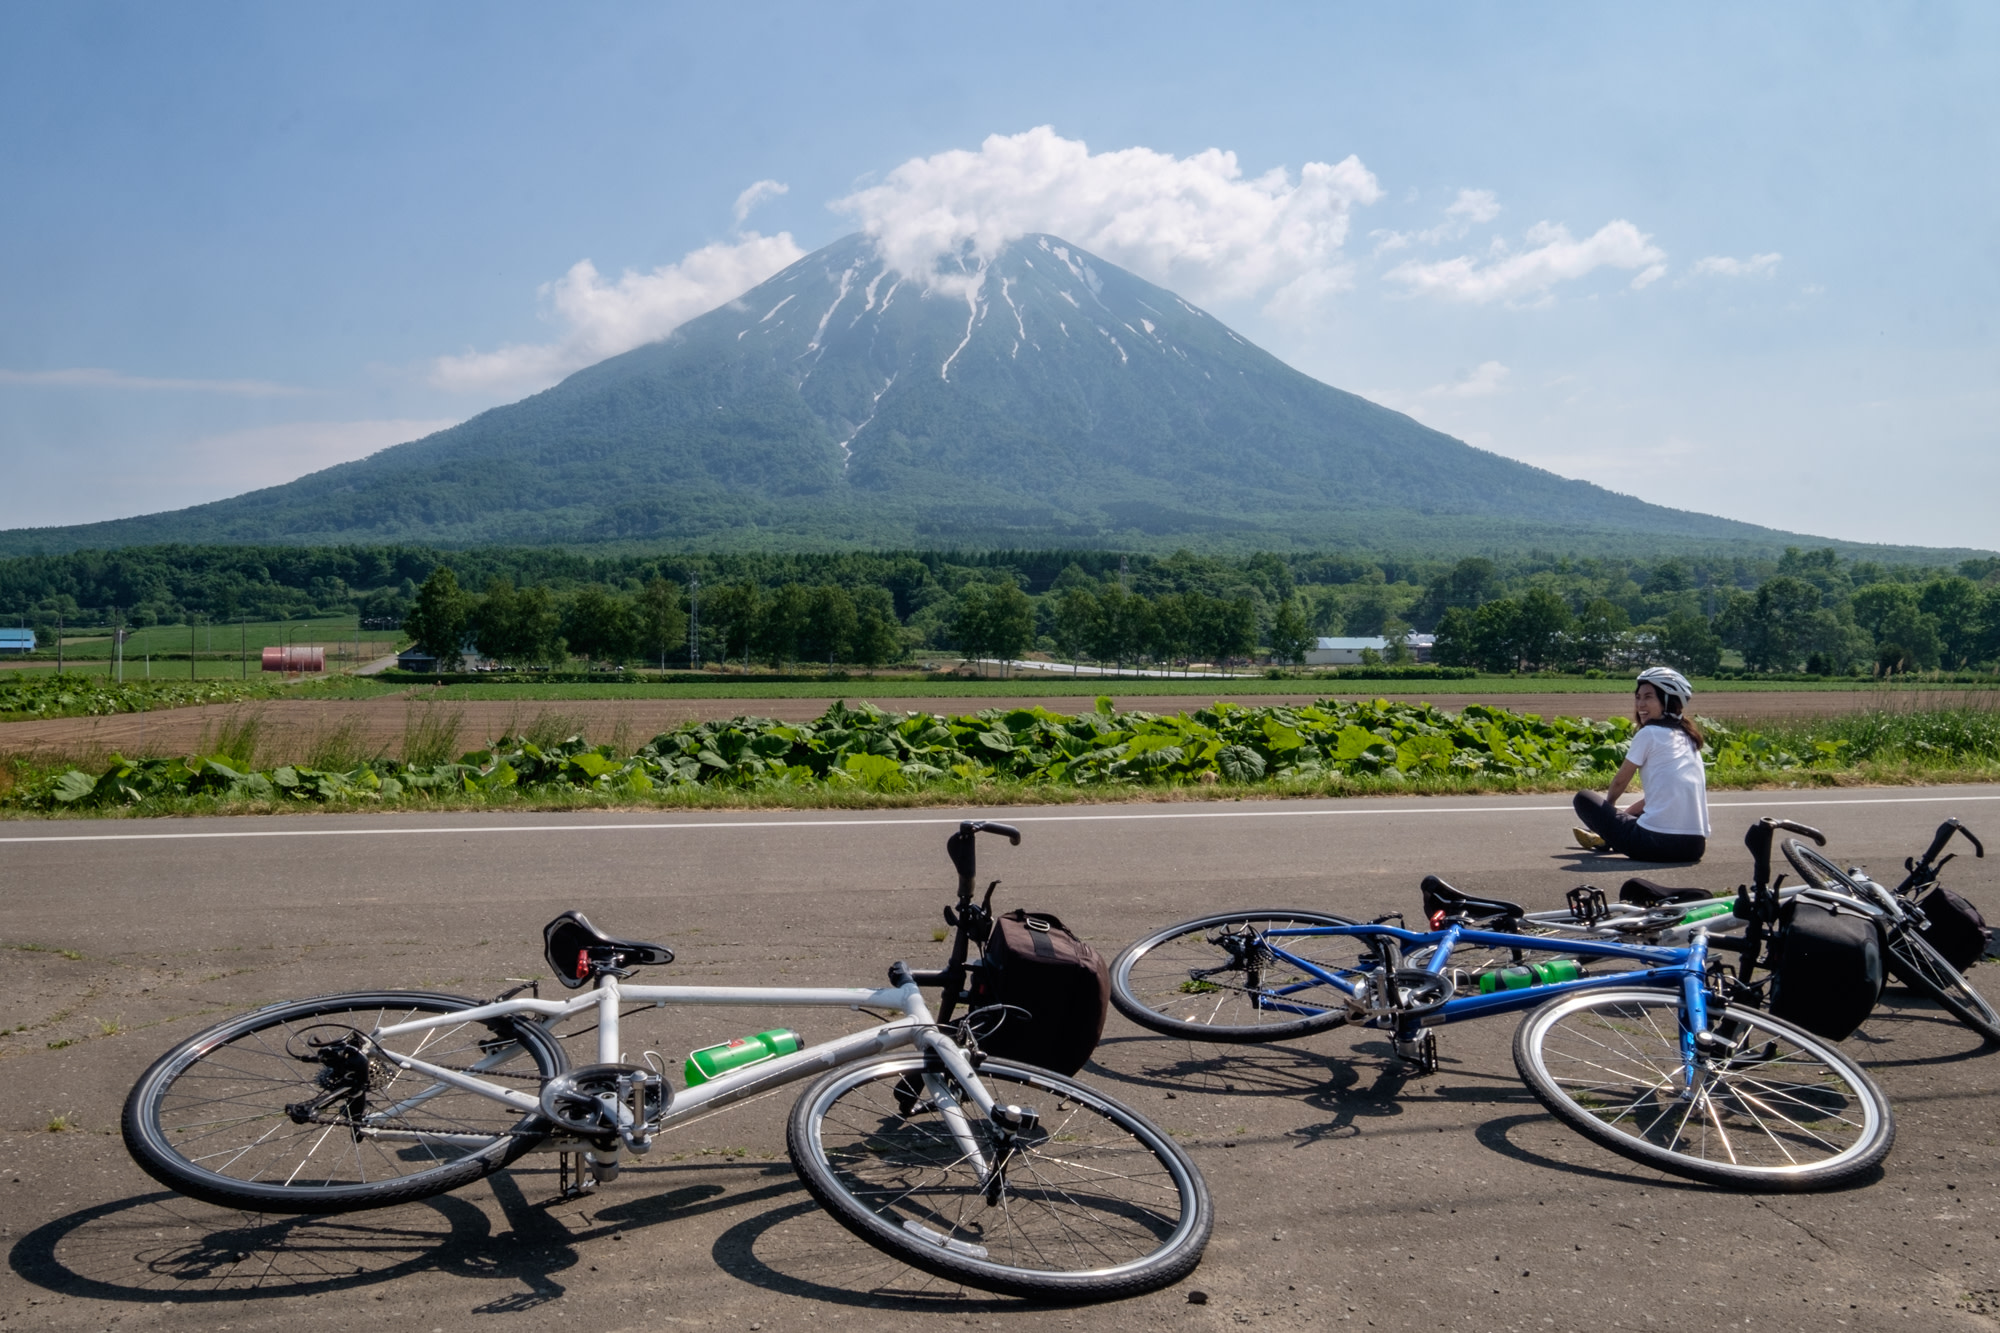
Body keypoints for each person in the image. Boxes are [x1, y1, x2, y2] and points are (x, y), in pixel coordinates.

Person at [1571, 666, 1709, 863]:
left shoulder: (1649, 733)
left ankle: (1604, 838)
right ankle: (1608, 837)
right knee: (1636, 816)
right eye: (1637, 697)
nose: (1640, 704)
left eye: (1648, 697)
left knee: (1583, 798)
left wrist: (1606, 816)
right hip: (1693, 848)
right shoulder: (1688, 738)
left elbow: (1620, 781)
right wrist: (1624, 816)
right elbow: (1664, 794)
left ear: (1667, 701)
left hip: (1653, 844)